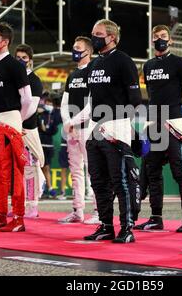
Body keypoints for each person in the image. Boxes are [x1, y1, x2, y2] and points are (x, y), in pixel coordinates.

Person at [84, 19, 142, 243]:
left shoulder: (123, 61)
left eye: (98, 33)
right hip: (94, 129)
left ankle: (127, 227)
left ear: (111, 37)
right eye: (92, 33)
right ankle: (106, 226)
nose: (94, 37)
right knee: (98, 182)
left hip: (116, 128)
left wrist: (115, 123)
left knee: (121, 181)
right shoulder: (94, 63)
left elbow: (135, 100)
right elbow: (93, 98)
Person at [133, 25, 182, 232]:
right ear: (152, 41)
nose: (159, 40)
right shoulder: (148, 66)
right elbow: (152, 96)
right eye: (156, 37)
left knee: (181, 172)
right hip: (153, 124)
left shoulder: (179, 62)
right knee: (152, 172)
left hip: (174, 123)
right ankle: (155, 217)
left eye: (163, 36)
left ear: (171, 41)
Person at [0, 22, 33, 232]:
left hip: (8, 123)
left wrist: (16, 120)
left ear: (5, 41)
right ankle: (0, 215)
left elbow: (26, 99)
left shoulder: (15, 65)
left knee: (14, 174)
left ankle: (18, 218)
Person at [59, 36, 99, 225]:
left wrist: (72, 122)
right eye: (73, 47)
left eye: (78, 47)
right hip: (73, 130)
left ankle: (99, 211)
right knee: (76, 172)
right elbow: (65, 102)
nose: (74, 50)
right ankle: (78, 210)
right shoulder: (72, 75)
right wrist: (68, 123)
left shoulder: (94, 71)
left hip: (89, 128)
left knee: (94, 171)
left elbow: (92, 105)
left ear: (88, 51)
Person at [15, 44, 46, 218]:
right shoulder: (12, 79)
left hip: (27, 129)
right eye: (18, 58)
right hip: (13, 128)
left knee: (31, 168)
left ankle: (32, 206)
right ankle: (19, 205)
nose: (20, 61)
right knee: (15, 169)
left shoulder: (34, 80)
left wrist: (17, 122)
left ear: (30, 61)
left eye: (24, 58)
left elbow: (32, 107)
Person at [39, 94, 62, 198]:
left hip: (49, 145)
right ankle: (44, 189)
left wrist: (47, 130)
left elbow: (53, 129)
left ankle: (48, 188)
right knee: (39, 167)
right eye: (47, 103)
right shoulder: (40, 113)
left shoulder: (55, 115)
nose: (48, 105)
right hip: (39, 145)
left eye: (50, 103)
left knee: (46, 167)